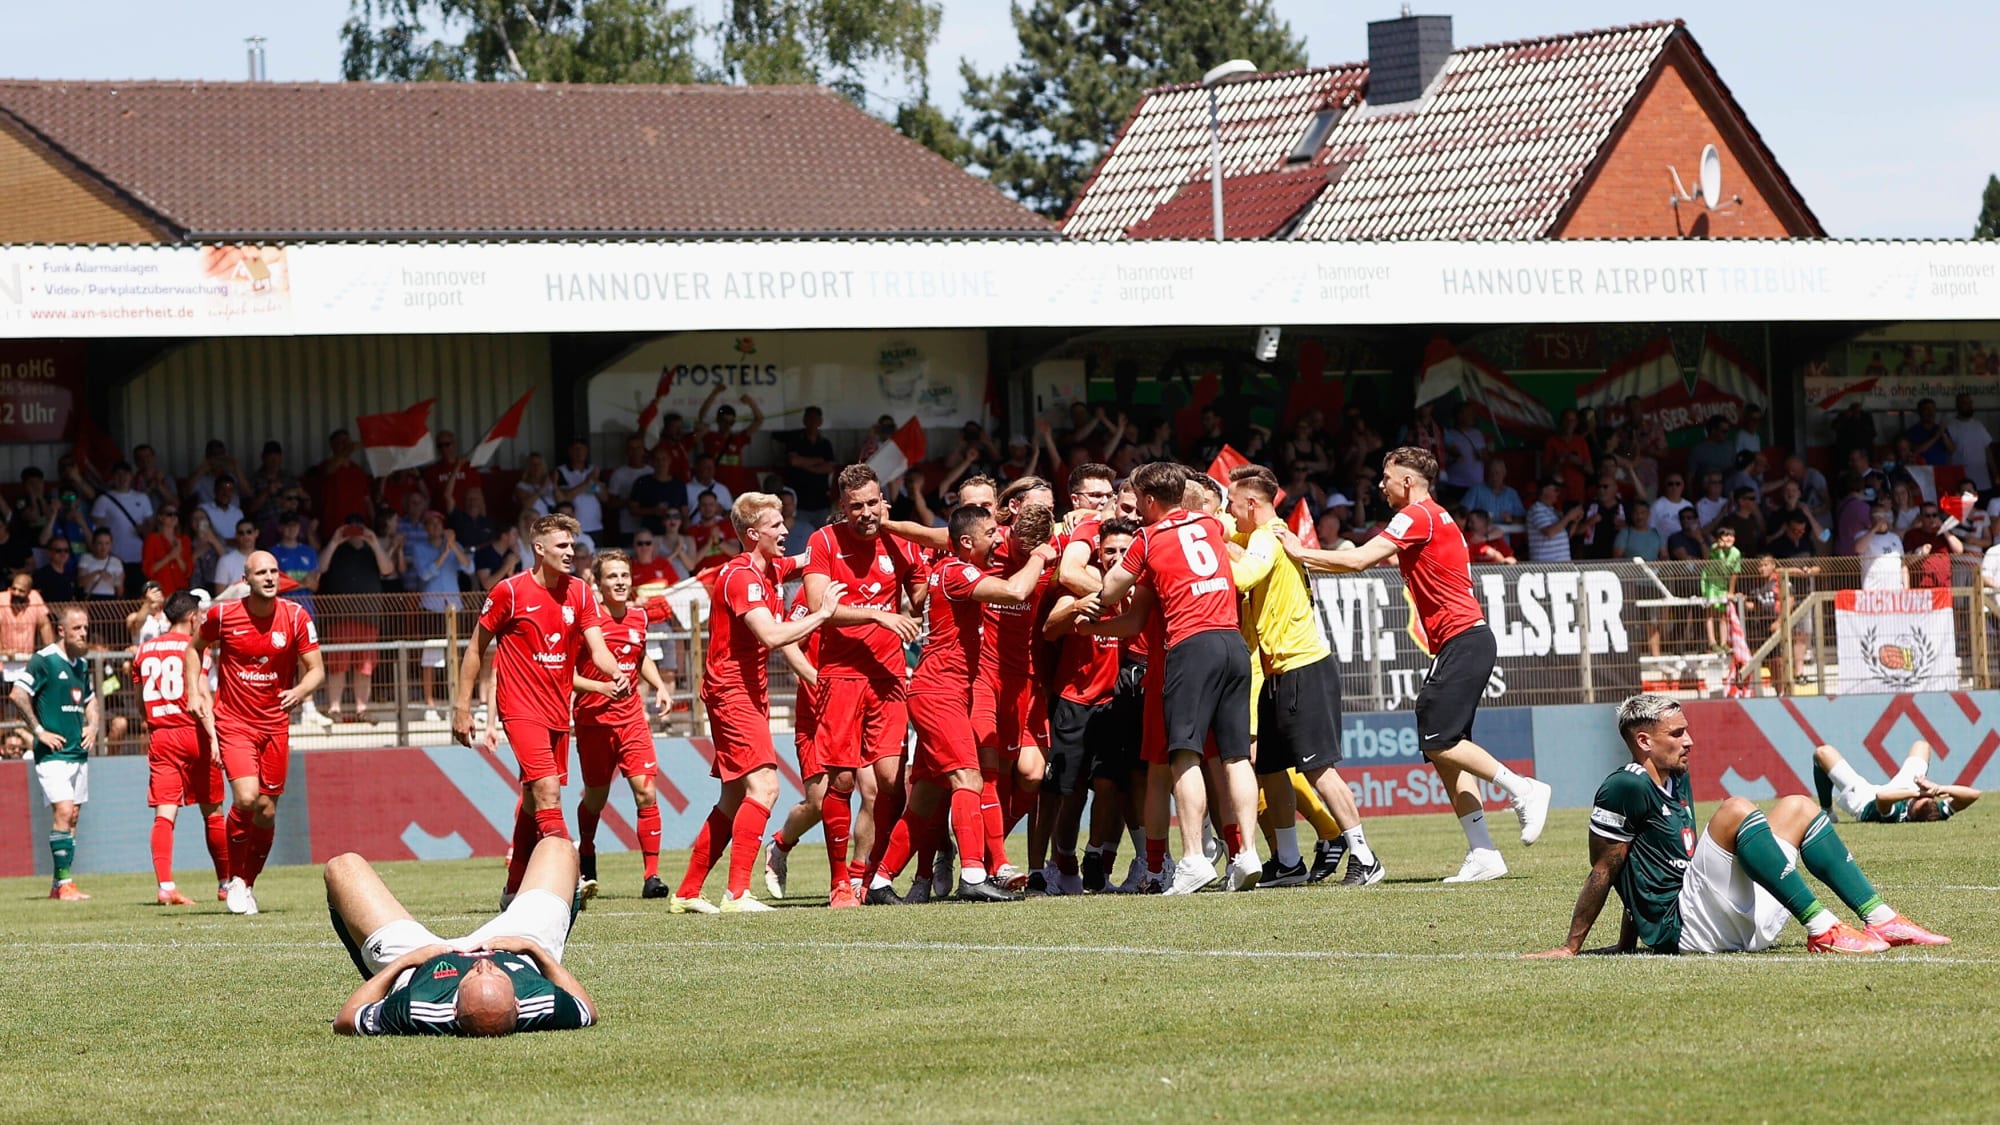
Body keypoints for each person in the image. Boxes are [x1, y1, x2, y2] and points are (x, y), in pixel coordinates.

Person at [1281, 446, 1552, 883]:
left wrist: (1300, 552)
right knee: (1443, 749)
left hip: (1464, 640)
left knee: (1439, 740)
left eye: (1386, 478)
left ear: (1407, 481)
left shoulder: (1416, 515)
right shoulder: (1435, 517)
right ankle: (1483, 851)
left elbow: (1358, 560)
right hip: (1461, 642)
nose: (1380, 486)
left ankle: (1524, 789)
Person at [1527, 694, 1947, 957]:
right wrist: (1572, 946)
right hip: (1687, 929)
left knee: (1799, 806)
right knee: (1735, 810)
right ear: (1643, 742)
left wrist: (1624, 944)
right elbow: (1607, 869)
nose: (1689, 741)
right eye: (1677, 733)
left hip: (1729, 921)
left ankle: (1882, 917)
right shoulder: (1624, 786)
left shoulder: (1678, 777)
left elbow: (1649, 865)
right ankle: (1823, 929)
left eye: (1687, 730)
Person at [864, 503, 1055, 903]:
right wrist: (1040, 554)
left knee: (925, 800)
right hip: (939, 693)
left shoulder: (958, 567)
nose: (996, 540)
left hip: (945, 691)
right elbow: (1014, 590)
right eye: (990, 534)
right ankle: (973, 874)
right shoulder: (957, 571)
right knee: (969, 779)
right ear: (967, 542)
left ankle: (880, 882)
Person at [1094, 461, 1262, 893]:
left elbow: (1113, 589)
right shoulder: (1209, 523)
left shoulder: (1147, 538)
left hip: (1191, 646)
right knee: (1235, 756)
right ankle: (1246, 854)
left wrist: (1089, 608)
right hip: (1232, 642)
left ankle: (1192, 859)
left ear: (1150, 501)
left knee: (1182, 754)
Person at [668, 493, 839, 913]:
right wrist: (822, 615)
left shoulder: (768, 568)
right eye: (776, 526)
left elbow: (805, 558)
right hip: (732, 693)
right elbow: (773, 636)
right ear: (752, 534)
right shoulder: (742, 576)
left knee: (732, 798)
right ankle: (737, 893)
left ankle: (687, 892)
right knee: (766, 787)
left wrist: (841, 535)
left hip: (746, 692)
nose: (784, 531)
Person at [454, 514, 624, 907]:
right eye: (562, 546)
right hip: (520, 710)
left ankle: (513, 889)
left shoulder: (580, 592)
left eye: (572, 546)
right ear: (539, 548)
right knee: (547, 791)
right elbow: (476, 649)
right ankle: (568, 877)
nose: (570, 553)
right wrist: (463, 708)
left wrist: (616, 674)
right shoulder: (508, 592)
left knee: (533, 800)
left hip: (557, 711)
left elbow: (598, 650)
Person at [1226, 465, 1383, 886]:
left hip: (1303, 665)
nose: (1228, 509)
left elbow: (1243, 575)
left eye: (1232, 502)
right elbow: (1223, 530)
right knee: (1271, 769)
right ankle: (1290, 862)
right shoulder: (1254, 533)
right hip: (1278, 670)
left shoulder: (1268, 536)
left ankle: (1365, 857)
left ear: (1253, 504)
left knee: (1318, 769)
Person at [802, 465, 926, 901]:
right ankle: (839, 882)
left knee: (892, 781)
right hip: (840, 676)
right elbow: (820, 606)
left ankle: (870, 875)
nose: (867, 513)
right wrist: (878, 613)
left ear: (883, 499)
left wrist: (922, 591)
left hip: (889, 676)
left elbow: (918, 586)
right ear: (843, 507)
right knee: (841, 783)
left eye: (873, 503)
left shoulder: (898, 539)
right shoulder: (823, 542)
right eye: (857, 506)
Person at [327, 838, 595, 1036]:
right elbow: (587, 1010)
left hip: (419, 962)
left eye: (476, 975)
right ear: (517, 1003)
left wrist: (406, 962)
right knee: (559, 848)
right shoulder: (542, 1004)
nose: (482, 964)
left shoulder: (417, 1007)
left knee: (342, 867)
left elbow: (346, 1020)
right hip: (517, 948)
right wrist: (533, 950)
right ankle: (515, 896)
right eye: (495, 973)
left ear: (455, 1008)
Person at [195, 552, 325, 915]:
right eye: (261, 572)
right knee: (247, 797)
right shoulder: (223, 615)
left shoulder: (296, 616)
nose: (269, 577)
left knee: (266, 811)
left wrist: (300, 691)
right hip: (235, 722)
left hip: (275, 725)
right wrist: (195, 689)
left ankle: (246, 883)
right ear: (245, 578)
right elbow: (196, 649)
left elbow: (316, 670)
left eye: (273, 572)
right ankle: (232, 879)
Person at [572, 551, 673, 899]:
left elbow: (640, 657)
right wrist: (600, 686)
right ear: (598, 583)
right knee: (596, 801)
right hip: (593, 722)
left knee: (646, 792)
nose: (619, 582)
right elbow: (565, 675)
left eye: (624, 576)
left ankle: (652, 876)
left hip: (632, 720)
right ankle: (586, 851)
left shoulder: (638, 618)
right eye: (612, 576)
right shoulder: (587, 622)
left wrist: (658, 685)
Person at [136, 591, 231, 905]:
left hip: (161, 735)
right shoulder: (193, 648)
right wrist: (215, 738)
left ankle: (165, 886)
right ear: (193, 617)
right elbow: (201, 696)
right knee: (213, 811)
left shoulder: (144, 650)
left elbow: (139, 703)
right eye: (200, 616)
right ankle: (225, 884)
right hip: (194, 733)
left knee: (165, 813)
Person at [9, 605, 100, 900]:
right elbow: (18, 694)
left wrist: (94, 726)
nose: (83, 633)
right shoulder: (44, 660)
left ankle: (61, 883)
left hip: (78, 753)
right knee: (63, 810)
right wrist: (39, 732)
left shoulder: (81, 665)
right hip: (53, 754)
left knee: (72, 815)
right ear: (61, 630)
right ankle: (64, 884)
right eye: (77, 628)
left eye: (85, 628)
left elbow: (91, 701)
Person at [316, 514, 397, 723]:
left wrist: (374, 541)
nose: (354, 532)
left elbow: (387, 569)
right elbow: (321, 568)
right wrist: (335, 541)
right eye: (350, 527)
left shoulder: (372, 550)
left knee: (365, 666)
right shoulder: (335, 549)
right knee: (338, 664)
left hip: (368, 616)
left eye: (358, 528)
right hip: (339, 616)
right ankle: (335, 708)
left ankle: (362, 709)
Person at [1813, 741, 1980, 824]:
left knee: (1822, 753)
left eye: (1922, 798)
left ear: (1912, 808)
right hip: (1905, 789)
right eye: (1931, 798)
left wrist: (1918, 792)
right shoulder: (1936, 812)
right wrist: (1938, 788)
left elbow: (1882, 797)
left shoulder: (1898, 815)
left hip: (1864, 800)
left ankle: (1827, 811)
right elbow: (1974, 794)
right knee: (1922, 745)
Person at [780, 405, 838, 533]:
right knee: (801, 537)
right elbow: (793, 461)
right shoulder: (795, 440)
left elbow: (829, 467)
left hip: (821, 502)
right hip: (800, 503)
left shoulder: (825, 443)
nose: (812, 422)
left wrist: (804, 463)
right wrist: (817, 461)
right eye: (809, 418)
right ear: (804, 420)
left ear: (820, 421)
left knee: (824, 536)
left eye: (815, 419)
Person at [696, 389, 765, 495]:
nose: (727, 425)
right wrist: (714, 393)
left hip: (735, 491)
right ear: (718, 420)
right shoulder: (710, 437)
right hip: (713, 491)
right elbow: (702, 416)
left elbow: (759, 420)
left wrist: (751, 402)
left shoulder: (738, 439)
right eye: (724, 421)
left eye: (731, 422)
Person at [90, 460, 154, 566]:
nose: (122, 478)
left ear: (131, 476)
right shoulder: (103, 500)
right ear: (113, 477)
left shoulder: (143, 498)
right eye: (118, 474)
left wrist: (145, 529)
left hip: (141, 556)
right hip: (113, 557)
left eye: (125, 474)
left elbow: (152, 524)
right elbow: (96, 530)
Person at [0, 570, 53, 672]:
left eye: (21, 591)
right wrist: (2, 651)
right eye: (14, 589)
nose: (16, 593)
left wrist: (50, 652)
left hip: (26, 660)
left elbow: (44, 625)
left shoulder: (35, 598)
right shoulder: (1, 599)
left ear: (29, 592)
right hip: (4, 660)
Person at [554, 438, 605, 542]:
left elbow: (605, 498)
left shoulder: (593, 470)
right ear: (569, 451)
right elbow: (565, 498)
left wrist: (596, 482)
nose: (579, 452)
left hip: (595, 526)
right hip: (572, 528)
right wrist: (587, 482)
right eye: (576, 449)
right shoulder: (561, 471)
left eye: (582, 449)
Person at [1901, 502, 1961, 589]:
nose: (1931, 519)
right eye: (1927, 516)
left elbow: (1959, 550)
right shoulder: (1912, 534)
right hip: (1922, 587)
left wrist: (1944, 530)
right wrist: (1919, 554)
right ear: (1921, 517)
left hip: (1943, 587)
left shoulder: (1944, 534)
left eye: (1934, 515)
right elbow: (1905, 561)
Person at [1945, 393, 1994, 491]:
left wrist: (1995, 473)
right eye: (1964, 403)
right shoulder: (1950, 427)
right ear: (1958, 405)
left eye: (1969, 403)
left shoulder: (1979, 425)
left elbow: (1988, 451)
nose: (1968, 406)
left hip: (1983, 480)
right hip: (1963, 482)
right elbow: (1948, 455)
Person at [1854, 503, 1907, 590]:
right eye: (1877, 515)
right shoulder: (1862, 535)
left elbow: (1903, 565)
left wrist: (1906, 589)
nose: (1881, 519)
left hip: (1896, 591)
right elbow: (1858, 549)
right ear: (1870, 517)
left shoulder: (1895, 538)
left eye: (1883, 515)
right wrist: (1874, 529)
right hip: (1873, 591)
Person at [1525, 479, 1580, 563]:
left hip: (1561, 567)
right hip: (1546, 567)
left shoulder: (1554, 511)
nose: (1558, 494)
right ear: (1544, 490)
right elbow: (1549, 532)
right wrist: (1568, 517)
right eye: (1556, 490)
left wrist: (1575, 520)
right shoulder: (1536, 509)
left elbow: (1567, 536)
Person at [1459, 456, 1525, 523]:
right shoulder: (1476, 490)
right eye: (1491, 473)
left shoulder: (1512, 494)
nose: (1494, 477)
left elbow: (1521, 518)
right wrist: (1479, 518)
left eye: (1497, 473)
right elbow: (1463, 512)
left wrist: (1511, 519)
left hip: (1505, 532)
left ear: (1504, 474)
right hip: (1481, 532)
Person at [79, 528, 125, 599]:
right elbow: (80, 583)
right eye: (100, 543)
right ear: (93, 544)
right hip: (90, 597)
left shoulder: (116, 562)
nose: (103, 547)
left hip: (109, 599)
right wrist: (97, 573)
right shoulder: (86, 558)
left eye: (107, 543)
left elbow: (120, 592)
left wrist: (114, 581)